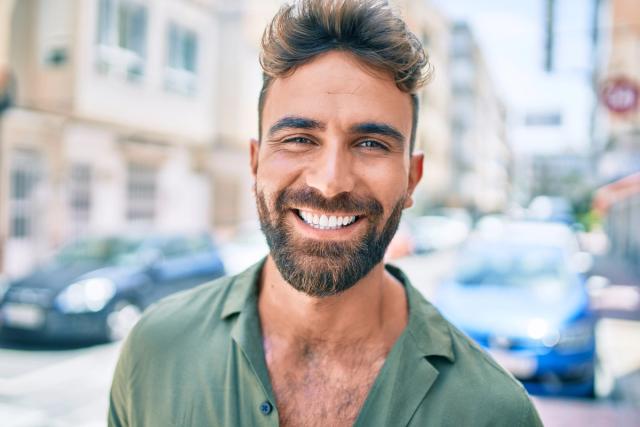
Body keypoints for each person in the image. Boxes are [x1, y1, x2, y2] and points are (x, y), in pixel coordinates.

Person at [108, 1, 543, 426]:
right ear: (255, 162)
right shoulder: (155, 349)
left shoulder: (494, 412)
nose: (330, 182)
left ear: (412, 177)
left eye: (371, 143)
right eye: (299, 138)